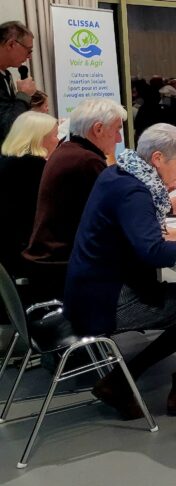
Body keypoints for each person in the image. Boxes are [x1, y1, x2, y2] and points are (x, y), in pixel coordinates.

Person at [66, 124, 176, 419]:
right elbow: (155, 251)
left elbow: (143, 231)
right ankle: (163, 385)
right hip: (107, 301)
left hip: (89, 288)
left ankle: (128, 381)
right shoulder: (134, 191)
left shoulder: (118, 175)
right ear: (158, 158)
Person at [22, 99, 131, 299]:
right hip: (68, 273)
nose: (118, 139)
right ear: (98, 129)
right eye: (116, 130)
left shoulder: (67, 151)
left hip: (49, 266)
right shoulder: (87, 161)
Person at [0, 111, 57, 276]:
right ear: (39, 139)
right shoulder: (34, 168)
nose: (58, 140)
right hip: (26, 255)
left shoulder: (7, 162)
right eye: (54, 135)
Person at [0, 21, 36, 142]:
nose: (29, 57)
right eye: (29, 50)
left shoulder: (6, 75)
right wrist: (23, 95)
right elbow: (8, 130)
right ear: (11, 44)